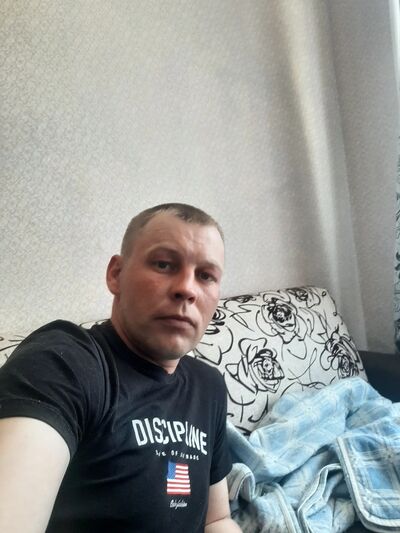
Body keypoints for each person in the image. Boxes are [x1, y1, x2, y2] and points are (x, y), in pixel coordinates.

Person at [0, 203, 242, 533]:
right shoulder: (65, 362)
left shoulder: (209, 385)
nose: (187, 288)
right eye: (164, 264)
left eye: (206, 276)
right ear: (116, 274)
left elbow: (217, 519)